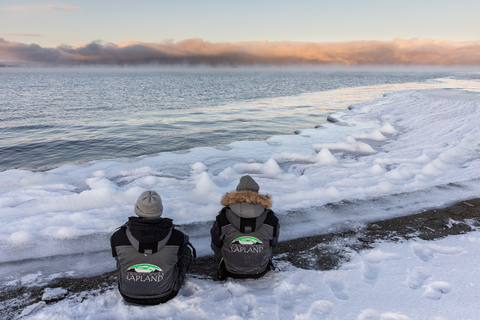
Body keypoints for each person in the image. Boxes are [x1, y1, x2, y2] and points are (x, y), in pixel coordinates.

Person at [110, 190, 195, 305]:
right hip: (166, 293)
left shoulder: (118, 236)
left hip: (127, 294)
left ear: (137, 209)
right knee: (186, 249)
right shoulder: (177, 237)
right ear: (160, 210)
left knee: (122, 256)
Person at [210, 175, 280, 280]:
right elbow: (273, 243)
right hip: (260, 270)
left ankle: (229, 260)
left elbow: (216, 243)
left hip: (230, 270)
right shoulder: (271, 218)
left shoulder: (223, 217)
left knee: (219, 236)